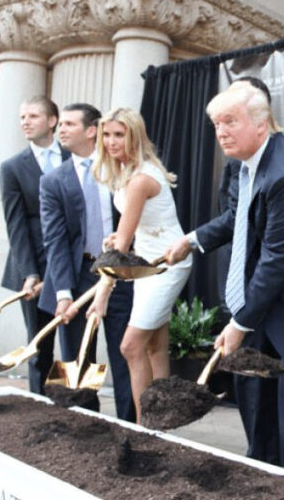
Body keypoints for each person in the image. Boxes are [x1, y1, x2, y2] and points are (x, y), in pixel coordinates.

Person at [165, 80, 284, 481]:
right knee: (260, 423)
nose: (221, 132)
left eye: (230, 121)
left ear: (262, 124)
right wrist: (192, 241)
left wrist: (239, 322)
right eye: (216, 125)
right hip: (265, 310)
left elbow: (277, 260)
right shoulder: (242, 164)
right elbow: (237, 218)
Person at [87, 107, 191, 422]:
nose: (111, 141)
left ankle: (144, 426)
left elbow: (121, 251)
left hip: (166, 265)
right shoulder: (126, 172)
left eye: (119, 134)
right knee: (153, 347)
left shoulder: (140, 179)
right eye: (106, 134)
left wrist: (102, 292)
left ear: (135, 137)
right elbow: (128, 235)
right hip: (147, 263)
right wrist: (119, 236)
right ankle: (164, 421)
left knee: (130, 346)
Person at [38, 102, 135, 420]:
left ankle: (129, 425)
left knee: (125, 353)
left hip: (120, 271)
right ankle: (81, 425)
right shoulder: (53, 181)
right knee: (76, 357)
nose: (60, 129)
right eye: (59, 124)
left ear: (91, 130)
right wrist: (63, 293)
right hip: (77, 274)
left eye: (68, 124)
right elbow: (55, 241)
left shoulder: (120, 169)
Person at [0, 96, 71, 395]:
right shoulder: (12, 167)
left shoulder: (74, 157)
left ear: (52, 121)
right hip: (35, 268)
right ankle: (39, 406)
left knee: (76, 342)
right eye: (22, 117)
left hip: (72, 262)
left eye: (32, 116)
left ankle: (76, 405)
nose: (25, 122)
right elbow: (15, 225)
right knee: (39, 344)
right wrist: (30, 272)